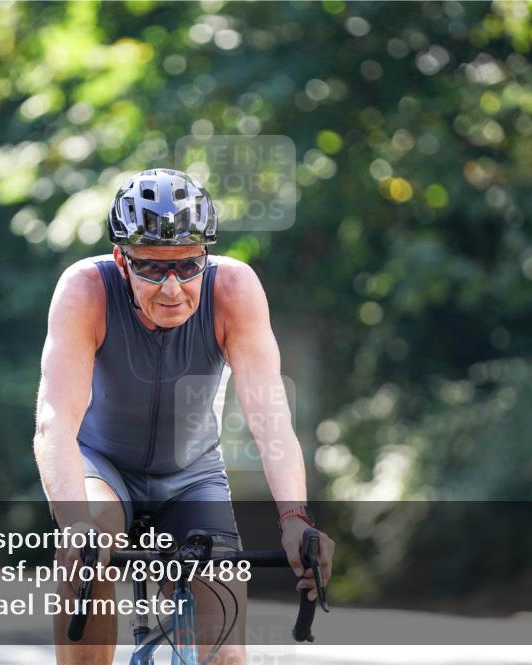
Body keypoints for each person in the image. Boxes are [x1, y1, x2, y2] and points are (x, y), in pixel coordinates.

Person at [33, 168, 335, 665]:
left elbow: (271, 420)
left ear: (206, 257)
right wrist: (74, 525)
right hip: (102, 468)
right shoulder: (85, 290)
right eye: (152, 268)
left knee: (226, 656)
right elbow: (54, 422)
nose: (172, 288)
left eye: (188, 266)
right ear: (120, 260)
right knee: (90, 543)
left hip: (192, 477)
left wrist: (294, 519)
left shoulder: (233, 288)